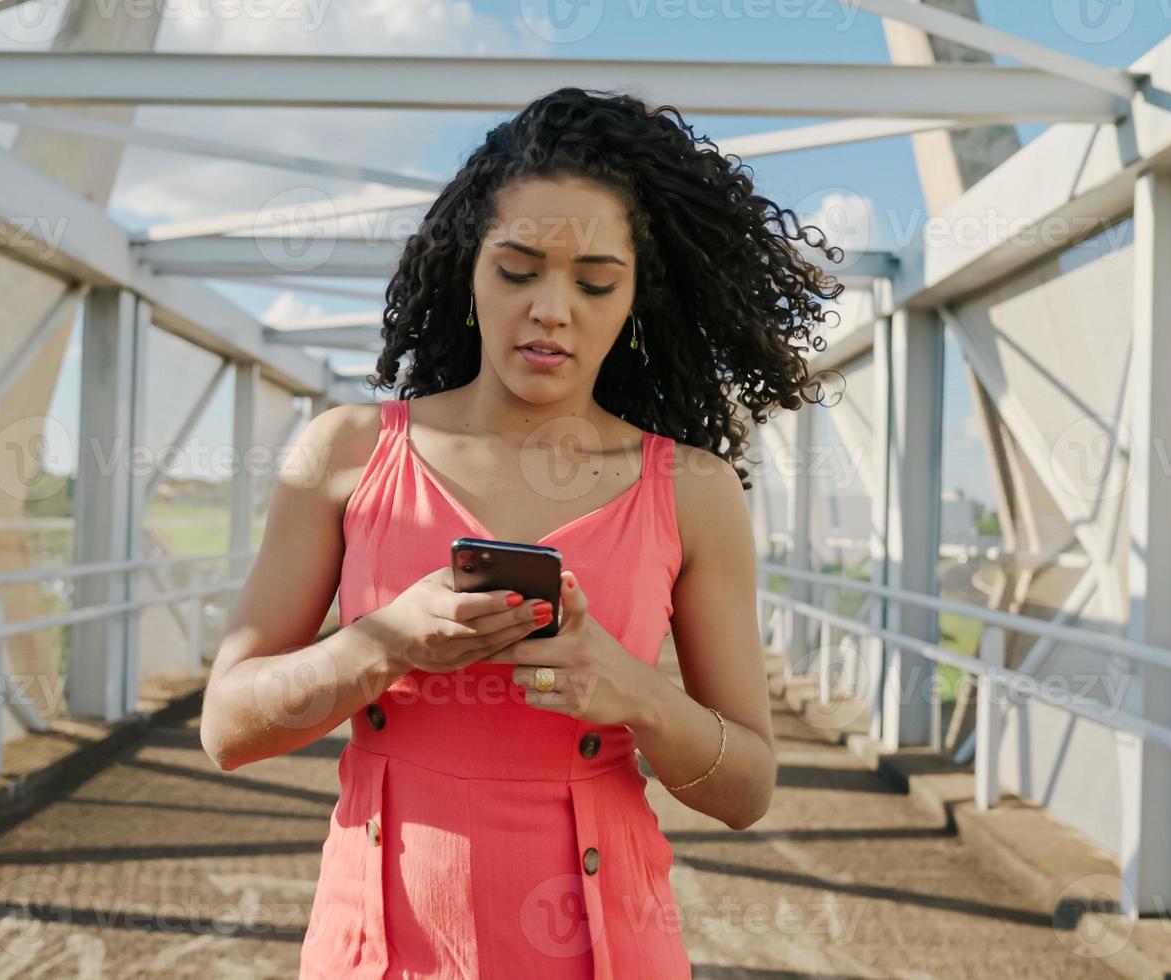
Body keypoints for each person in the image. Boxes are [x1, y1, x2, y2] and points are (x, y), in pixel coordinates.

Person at [199, 86, 842, 979]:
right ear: (468, 268)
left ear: (634, 301)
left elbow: (748, 792)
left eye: (594, 283)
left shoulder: (691, 491)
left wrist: (637, 695)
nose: (552, 308)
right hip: (376, 950)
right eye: (518, 269)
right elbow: (227, 728)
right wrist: (382, 643)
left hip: (611, 950)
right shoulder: (344, 453)